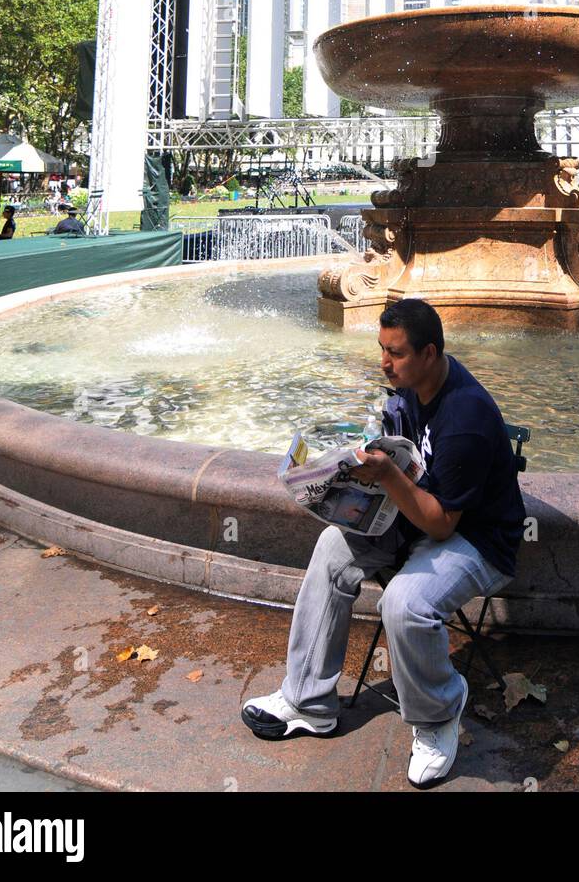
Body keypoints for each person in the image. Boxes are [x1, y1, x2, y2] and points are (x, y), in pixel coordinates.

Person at [241, 297, 527, 788]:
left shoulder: (467, 417)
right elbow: (412, 468)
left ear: (430, 353)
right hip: (418, 516)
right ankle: (308, 702)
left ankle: (439, 715)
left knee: (404, 603)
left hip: (479, 540)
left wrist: (389, 475)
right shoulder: (412, 388)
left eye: (395, 353)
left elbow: (441, 525)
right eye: (382, 350)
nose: (384, 363)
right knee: (333, 548)